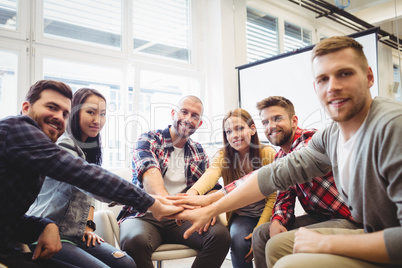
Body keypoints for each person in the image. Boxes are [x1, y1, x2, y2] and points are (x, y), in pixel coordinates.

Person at [169, 36, 402, 268]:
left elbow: (273, 186)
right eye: (323, 79)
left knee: (283, 256)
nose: (333, 87)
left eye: (345, 74)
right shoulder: (330, 137)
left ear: (369, 77)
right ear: (315, 88)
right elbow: (273, 178)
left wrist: (326, 243)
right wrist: (208, 204)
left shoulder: (392, 127)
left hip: (360, 227)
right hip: (358, 225)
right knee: (265, 237)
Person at [0, 80, 182, 268]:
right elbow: (86, 177)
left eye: (64, 113)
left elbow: (9, 218)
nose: (59, 117)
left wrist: (55, 226)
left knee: (126, 264)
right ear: (25, 108)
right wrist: (152, 203)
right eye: (51, 107)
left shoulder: (81, 151)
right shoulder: (21, 130)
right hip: (52, 237)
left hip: (64, 234)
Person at [117, 96, 231, 268]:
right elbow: (152, 181)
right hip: (145, 214)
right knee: (134, 241)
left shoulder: (198, 151)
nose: (188, 119)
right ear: (173, 113)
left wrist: (211, 208)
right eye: (184, 112)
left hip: (182, 219)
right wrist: (174, 208)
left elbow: (212, 187)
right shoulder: (148, 140)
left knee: (220, 236)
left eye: (194, 116)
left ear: (199, 124)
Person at [27, 88, 135, 267]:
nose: (97, 120)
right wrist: (144, 199)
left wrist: (88, 227)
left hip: (74, 234)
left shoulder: (88, 150)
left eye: (102, 114)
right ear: (74, 112)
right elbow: (91, 183)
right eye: (90, 112)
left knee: (126, 263)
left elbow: (88, 196)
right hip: (46, 233)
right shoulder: (64, 145)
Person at [252, 96, 359, 268]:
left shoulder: (310, 140)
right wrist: (277, 221)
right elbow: (284, 197)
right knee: (261, 233)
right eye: (265, 122)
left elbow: (292, 164)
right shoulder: (279, 156)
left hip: (348, 218)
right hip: (320, 216)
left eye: (277, 118)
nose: (270, 126)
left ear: (294, 121)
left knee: (275, 244)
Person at [185, 108, 277, 268]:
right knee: (238, 241)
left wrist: (258, 230)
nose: (234, 135)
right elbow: (210, 174)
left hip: (269, 214)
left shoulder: (267, 154)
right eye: (228, 132)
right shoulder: (224, 155)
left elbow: (273, 197)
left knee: (264, 244)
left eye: (240, 128)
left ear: (252, 129)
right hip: (242, 216)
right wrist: (192, 194)